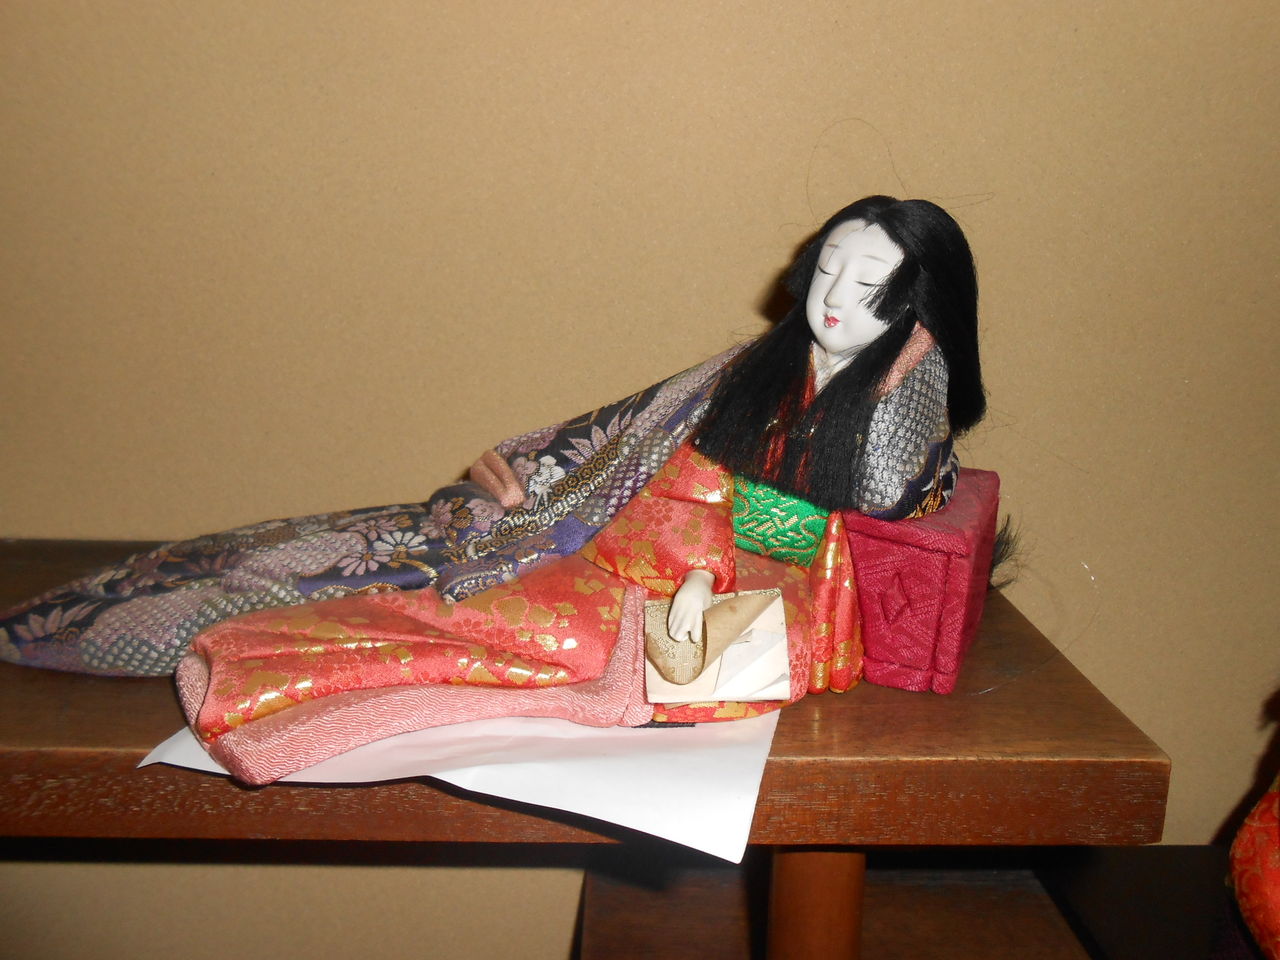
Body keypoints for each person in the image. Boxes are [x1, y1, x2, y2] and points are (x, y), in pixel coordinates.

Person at [1, 196, 985, 782]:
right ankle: (154, 619)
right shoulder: (760, 366)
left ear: (917, 309)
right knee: (406, 562)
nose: (829, 300)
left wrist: (699, 577)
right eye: (826, 269)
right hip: (645, 554)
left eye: (867, 288)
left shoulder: (900, 399)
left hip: (755, 605)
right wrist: (546, 481)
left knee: (485, 629)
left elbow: (836, 518)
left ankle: (250, 664)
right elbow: (642, 438)